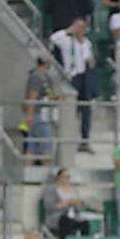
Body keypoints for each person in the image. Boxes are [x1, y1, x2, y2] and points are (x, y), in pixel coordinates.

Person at [50, 18, 97, 152]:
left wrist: (91, 62)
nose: (80, 30)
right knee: (71, 108)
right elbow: (53, 38)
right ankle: (68, 137)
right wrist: (69, 30)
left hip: (85, 76)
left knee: (86, 108)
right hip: (72, 76)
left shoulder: (87, 43)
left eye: (82, 28)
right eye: (78, 27)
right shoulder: (66, 40)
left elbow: (89, 58)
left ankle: (85, 139)